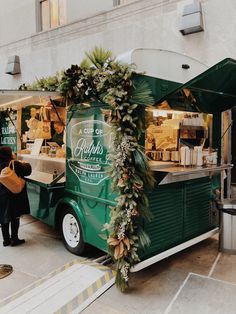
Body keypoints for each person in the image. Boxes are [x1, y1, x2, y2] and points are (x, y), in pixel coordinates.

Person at [0, 146, 32, 247]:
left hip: (1, 196)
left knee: (3, 218)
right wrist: (24, 163)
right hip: (13, 195)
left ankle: (6, 240)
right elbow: (28, 170)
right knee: (15, 217)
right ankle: (14, 239)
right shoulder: (13, 163)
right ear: (9, 154)